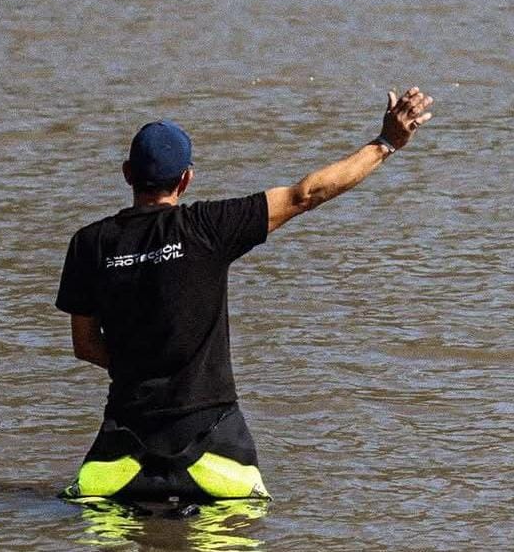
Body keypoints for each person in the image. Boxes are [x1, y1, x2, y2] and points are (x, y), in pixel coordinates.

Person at [55, 87, 434, 503]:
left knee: (97, 514)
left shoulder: (89, 244)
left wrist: (137, 364)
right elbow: (306, 194)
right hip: (216, 462)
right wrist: (386, 144)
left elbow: (85, 345)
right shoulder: (208, 228)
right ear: (186, 178)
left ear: (127, 173)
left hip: (118, 467)